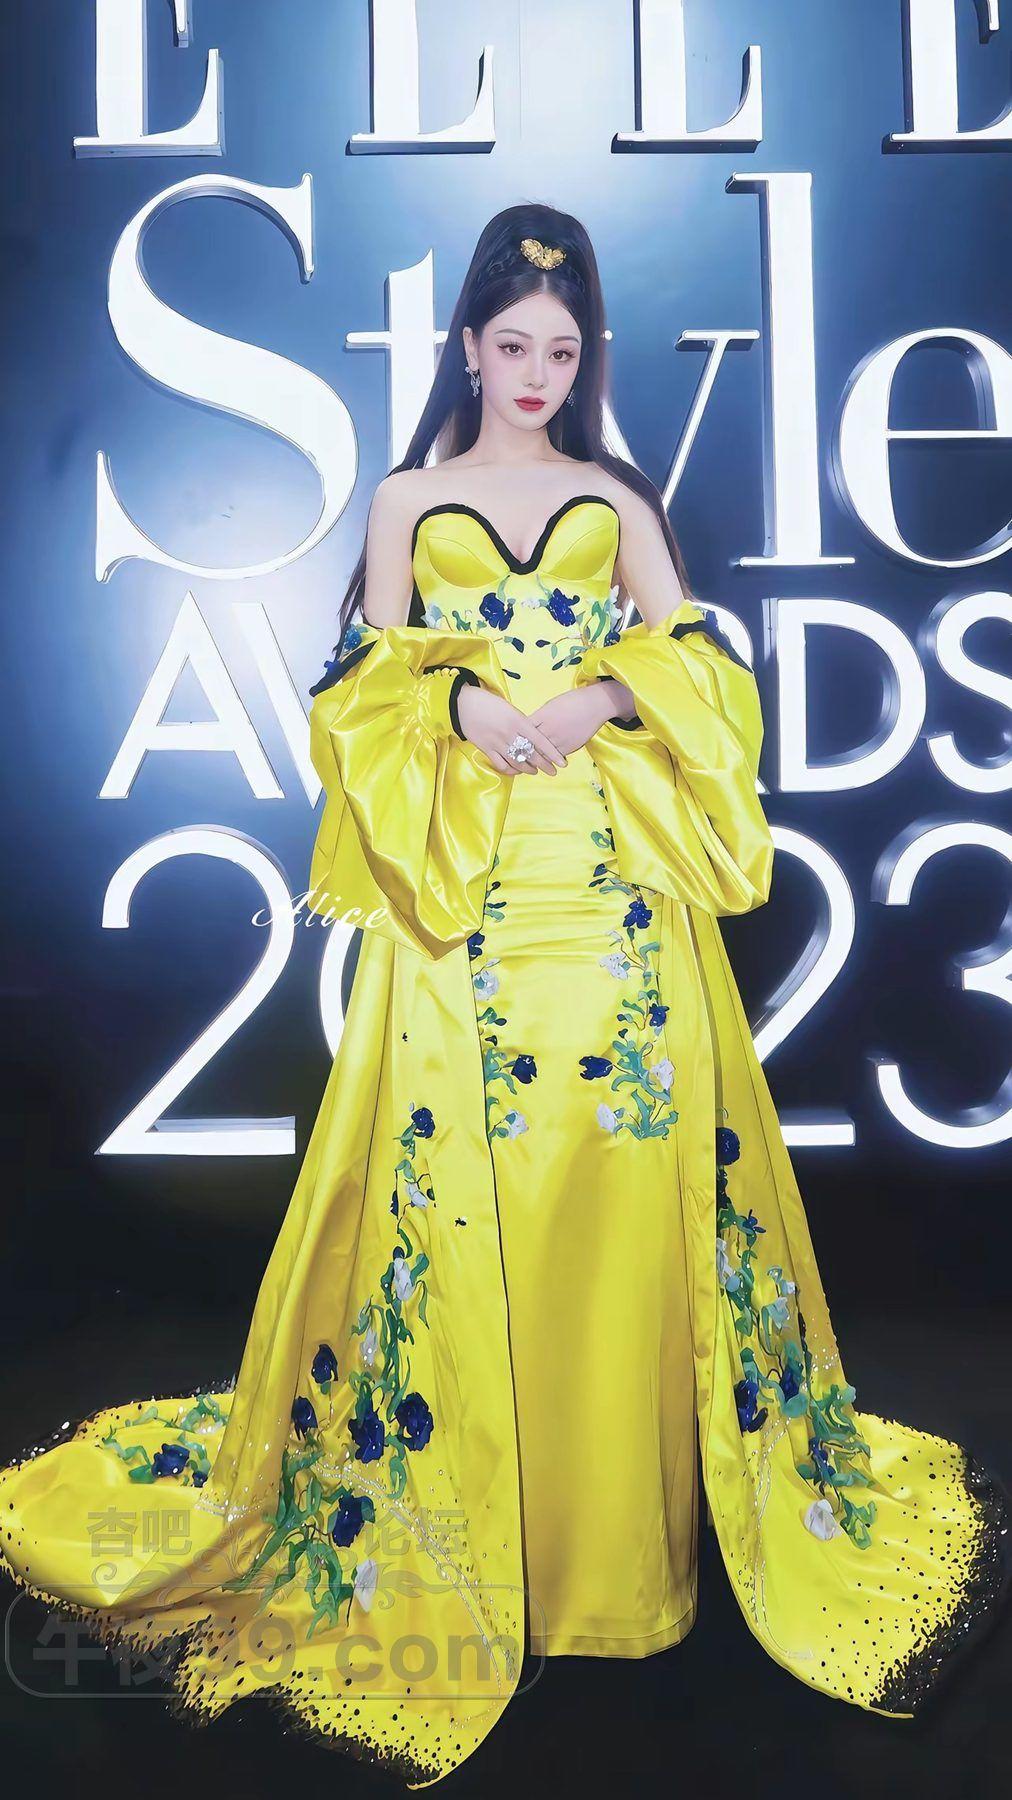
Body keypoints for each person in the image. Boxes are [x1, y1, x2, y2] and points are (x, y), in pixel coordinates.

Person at [1, 204, 1009, 1789]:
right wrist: (462, 699)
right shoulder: (409, 499)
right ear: (468, 347)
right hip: (464, 893)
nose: (540, 371)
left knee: (619, 1184)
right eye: (515, 344)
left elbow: (706, 660)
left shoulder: (617, 501)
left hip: (612, 896)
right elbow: (357, 685)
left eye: (564, 348)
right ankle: (470, 1539)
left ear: (580, 358)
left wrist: (608, 689)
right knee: (459, 1192)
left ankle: (619, 1557)